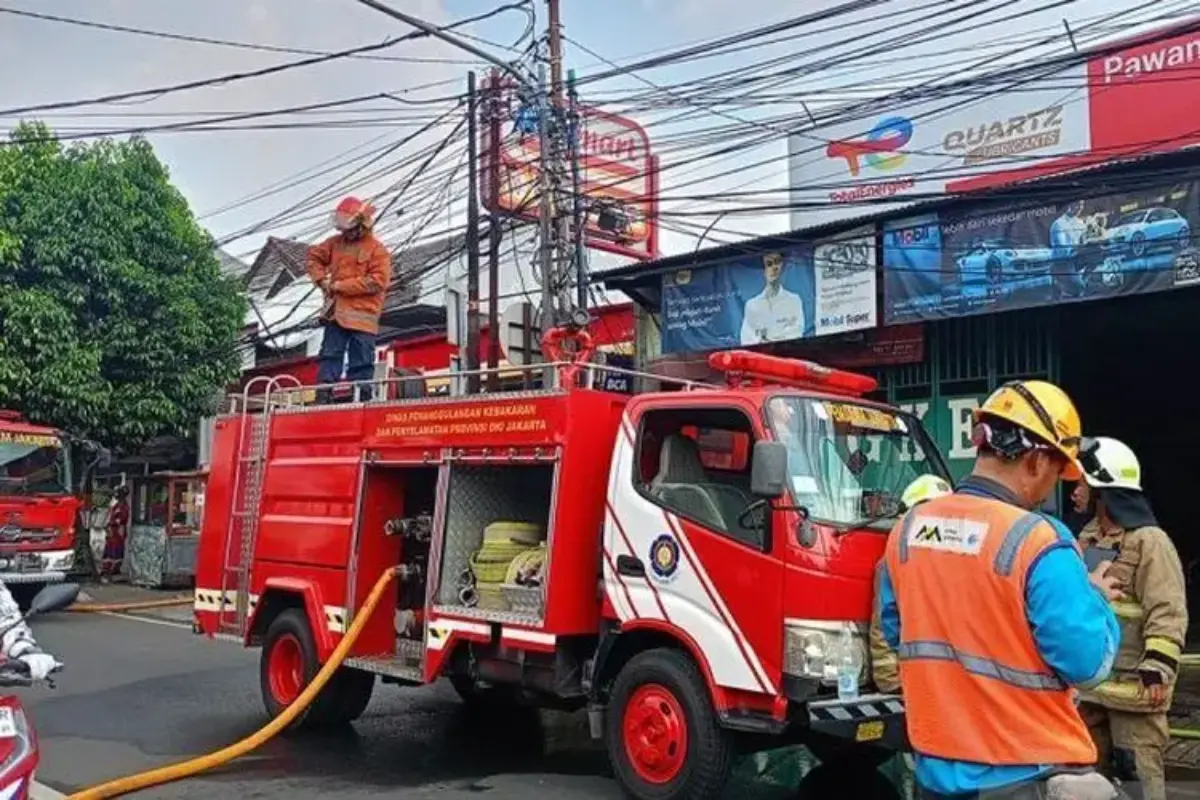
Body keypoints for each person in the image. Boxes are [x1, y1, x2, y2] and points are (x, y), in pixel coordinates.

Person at [878, 380, 1123, 799]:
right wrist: (1094, 597)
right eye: (1055, 472)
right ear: (1034, 460)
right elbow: (1087, 664)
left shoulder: (907, 532)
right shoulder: (1039, 540)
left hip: (934, 775)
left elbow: (900, 632)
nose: (1052, 487)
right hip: (1026, 774)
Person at [1075, 437, 1186, 800]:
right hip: (1092, 691)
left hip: (1135, 693)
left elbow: (1167, 609)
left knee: (1138, 783)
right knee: (1089, 783)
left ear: (1103, 491)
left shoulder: (1150, 542)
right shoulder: (1087, 538)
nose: (1075, 491)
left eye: (1082, 484)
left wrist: (1158, 663)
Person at [870, 474, 952, 694]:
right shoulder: (893, 561)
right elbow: (884, 625)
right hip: (920, 679)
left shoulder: (957, 559)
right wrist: (891, 681)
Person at [307, 196, 393, 402]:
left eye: (347, 227)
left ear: (361, 225)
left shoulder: (377, 250)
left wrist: (338, 286)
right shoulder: (335, 244)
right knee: (330, 356)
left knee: (362, 362)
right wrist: (321, 280)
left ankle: (362, 398)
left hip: (363, 318)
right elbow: (313, 258)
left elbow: (377, 281)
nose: (343, 232)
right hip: (336, 314)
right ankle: (323, 396)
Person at [739, 252, 804, 345]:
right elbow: (746, 338)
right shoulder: (752, 305)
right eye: (769, 264)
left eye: (777, 262)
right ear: (763, 271)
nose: (774, 267)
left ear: (782, 266)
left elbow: (797, 332)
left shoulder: (794, 300)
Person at [100, 484, 130, 581]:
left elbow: (121, 519)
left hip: (117, 530)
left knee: (116, 549)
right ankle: (107, 569)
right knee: (109, 549)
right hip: (113, 530)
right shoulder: (117, 505)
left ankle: (113, 569)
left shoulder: (123, 506)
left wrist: (111, 524)